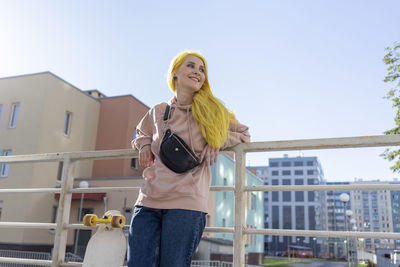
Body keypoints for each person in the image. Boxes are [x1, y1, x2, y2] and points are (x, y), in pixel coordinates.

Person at [128, 51, 250, 267]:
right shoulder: (158, 111)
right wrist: (144, 145)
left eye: (202, 70)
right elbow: (141, 132)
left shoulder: (213, 112)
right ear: (175, 73)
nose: (197, 72)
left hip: (186, 205)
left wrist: (217, 138)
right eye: (191, 66)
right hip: (148, 201)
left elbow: (244, 134)